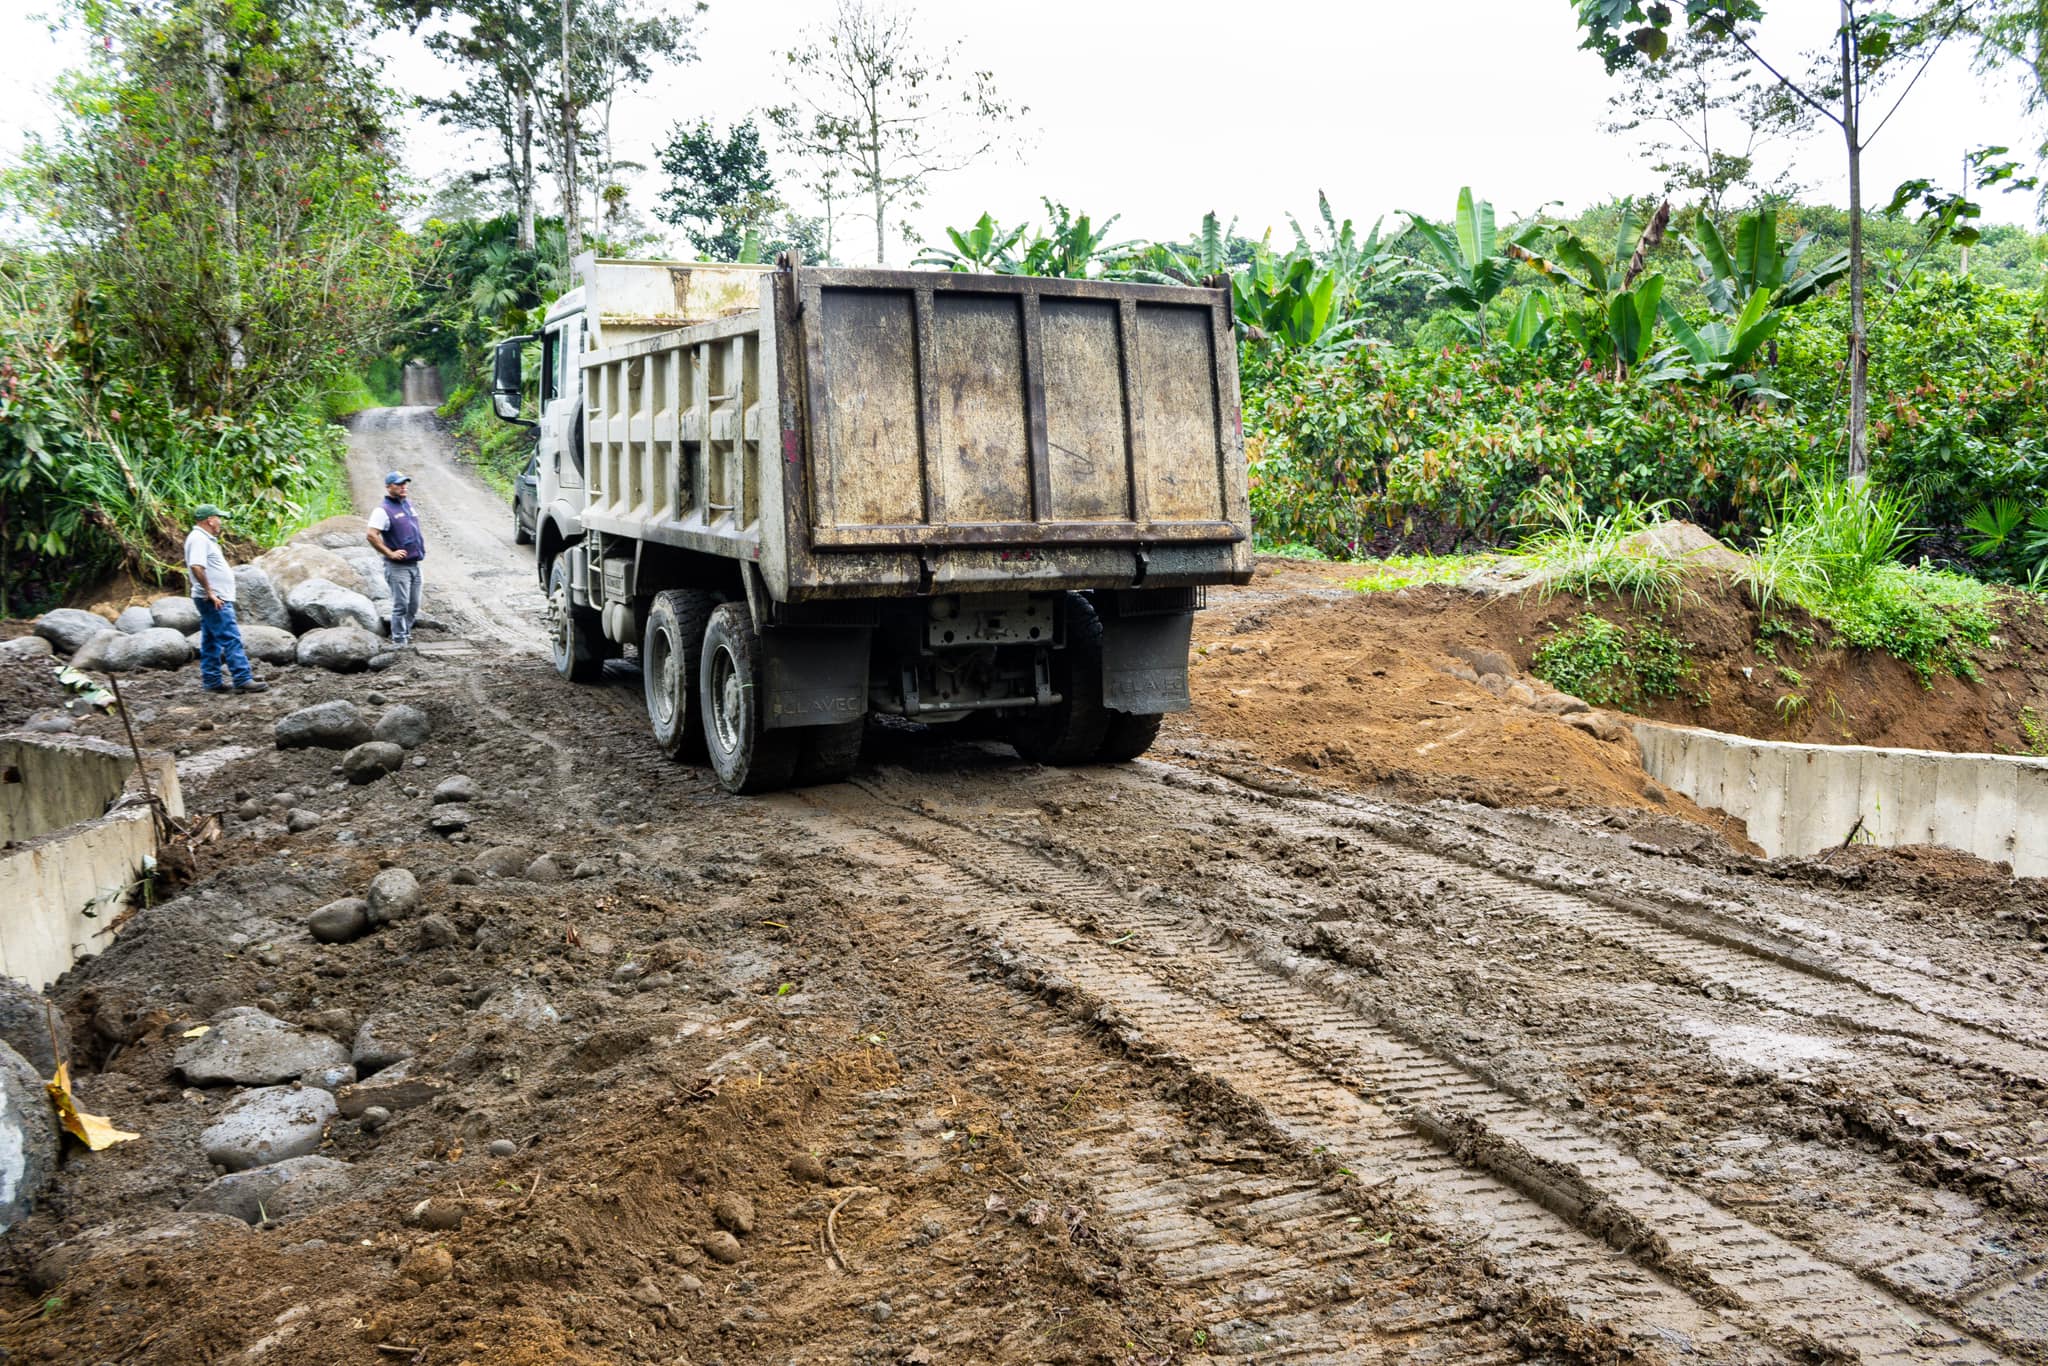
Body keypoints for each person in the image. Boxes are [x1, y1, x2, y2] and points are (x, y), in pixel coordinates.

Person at [184, 503, 268, 695]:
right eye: (218, 518)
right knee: (231, 638)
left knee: (211, 641)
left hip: (213, 597)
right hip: (214, 598)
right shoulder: (199, 539)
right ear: (210, 520)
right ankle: (242, 678)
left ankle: (212, 680)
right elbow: (197, 566)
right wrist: (210, 592)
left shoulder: (203, 538)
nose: (220, 522)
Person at [366, 470, 426, 647]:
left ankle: (405, 633)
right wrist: (389, 553)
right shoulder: (382, 510)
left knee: (413, 605)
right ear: (388, 487)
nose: (403, 487)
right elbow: (371, 535)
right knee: (401, 605)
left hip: (415, 563)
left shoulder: (407, 504)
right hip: (397, 567)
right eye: (399, 484)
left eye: (404, 483)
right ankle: (399, 641)